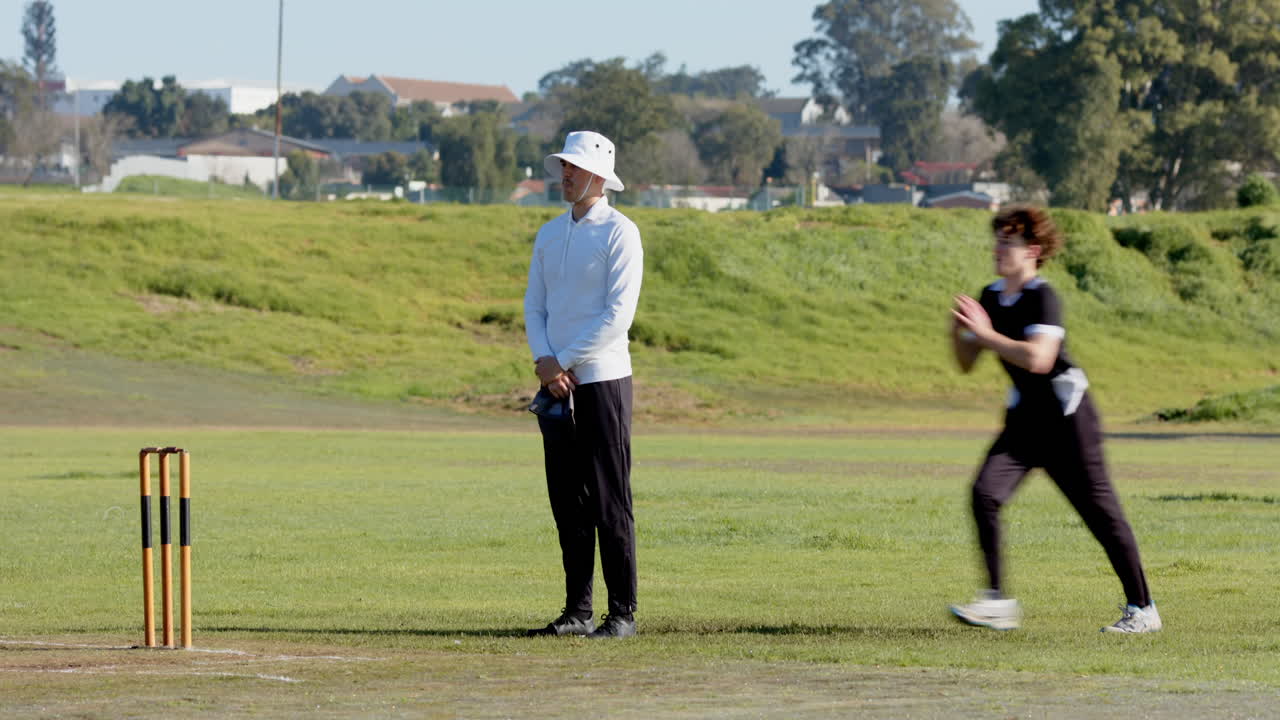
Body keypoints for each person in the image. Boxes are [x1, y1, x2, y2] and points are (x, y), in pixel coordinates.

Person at [948, 206, 1161, 633]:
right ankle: (997, 601)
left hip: (1068, 422)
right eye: (997, 240)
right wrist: (960, 333)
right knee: (984, 493)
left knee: (1100, 514)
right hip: (1024, 421)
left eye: (1007, 242)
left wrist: (986, 335)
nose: (998, 249)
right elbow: (967, 362)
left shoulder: (1043, 296)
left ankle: (1143, 609)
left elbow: (1039, 359)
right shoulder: (990, 296)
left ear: (1033, 251)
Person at [523, 131, 643, 639]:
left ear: (598, 175)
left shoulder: (621, 232)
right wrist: (544, 361)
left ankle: (622, 614)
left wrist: (562, 362)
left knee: (609, 500)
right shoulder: (549, 234)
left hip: (602, 382)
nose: (564, 175)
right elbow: (535, 305)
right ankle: (578, 610)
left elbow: (619, 316)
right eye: (563, 166)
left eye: (573, 168)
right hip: (557, 385)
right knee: (567, 500)